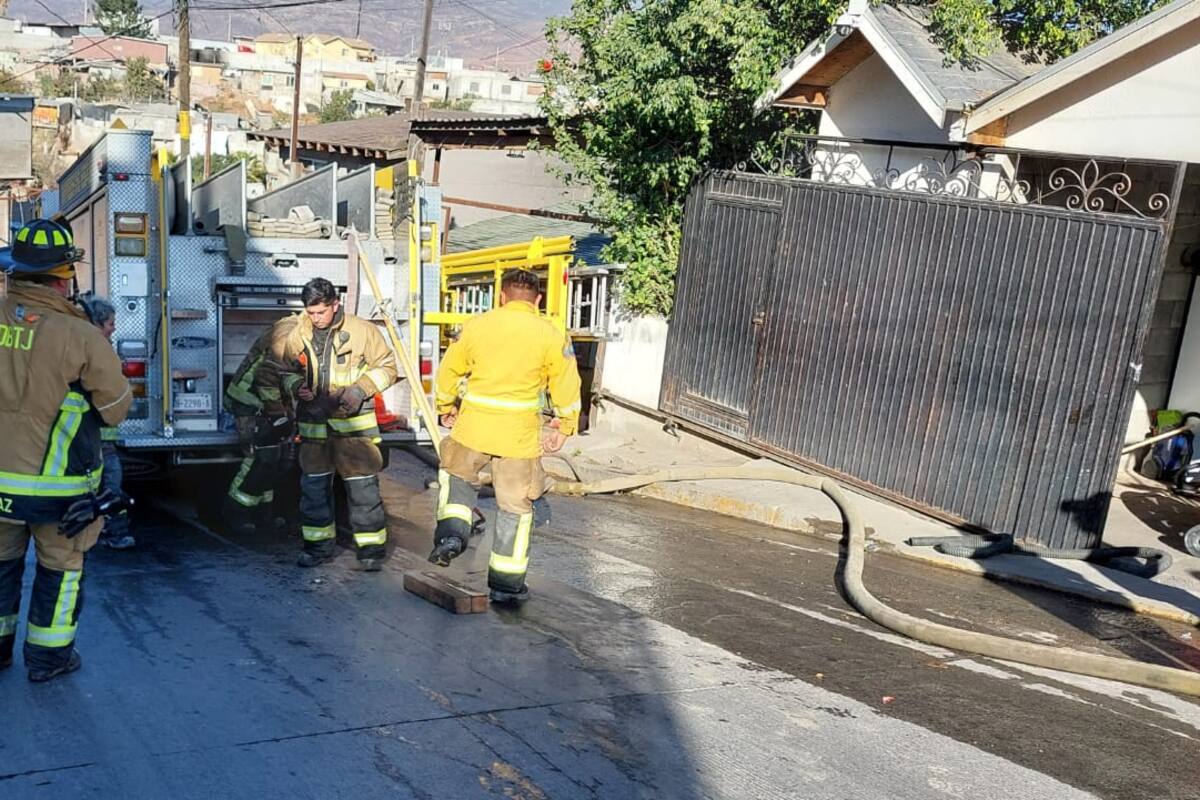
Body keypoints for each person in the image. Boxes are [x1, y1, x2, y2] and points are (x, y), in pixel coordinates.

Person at [0, 219, 132, 682]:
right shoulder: (81, 336)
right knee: (59, 570)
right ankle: (48, 660)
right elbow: (116, 409)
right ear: (64, 277)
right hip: (60, 491)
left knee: (0, 566)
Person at [429, 268, 582, 604]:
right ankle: (506, 586)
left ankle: (452, 536)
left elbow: (449, 371)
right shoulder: (550, 333)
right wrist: (565, 425)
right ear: (538, 300)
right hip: (518, 437)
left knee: (458, 480)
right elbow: (567, 384)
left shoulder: (477, 326)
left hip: (473, 428)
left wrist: (445, 406)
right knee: (515, 506)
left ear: (501, 297)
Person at [284, 278, 397, 571]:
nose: (316, 319)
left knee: (364, 492)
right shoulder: (299, 333)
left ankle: (371, 551)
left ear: (336, 305)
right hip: (314, 431)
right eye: (310, 313)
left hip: (354, 432)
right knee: (314, 492)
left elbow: (388, 367)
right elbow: (283, 370)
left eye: (321, 312)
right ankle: (317, 548)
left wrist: (359, 390)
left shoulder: (363, 332)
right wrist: (297, 386)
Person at [222, 314, 300, 536]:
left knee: (276, 460)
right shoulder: (289, 337)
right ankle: (235, 511)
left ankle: (262, 513)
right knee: (259, 458)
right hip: (248, 402)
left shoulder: (295, 329)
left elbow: (285, 379)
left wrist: (287, 414)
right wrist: (279, 416)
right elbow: (266, 377)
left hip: (264, 402)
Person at [77, 293, 135, 550]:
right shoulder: (94, 350)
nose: (114, 327)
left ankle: (99, 530)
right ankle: (115, 534)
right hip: (97, 439)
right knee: (110, 483)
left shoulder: (84, 346)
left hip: (95, 438)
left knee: (100, 484)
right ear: (98, 324)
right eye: (110, 323)